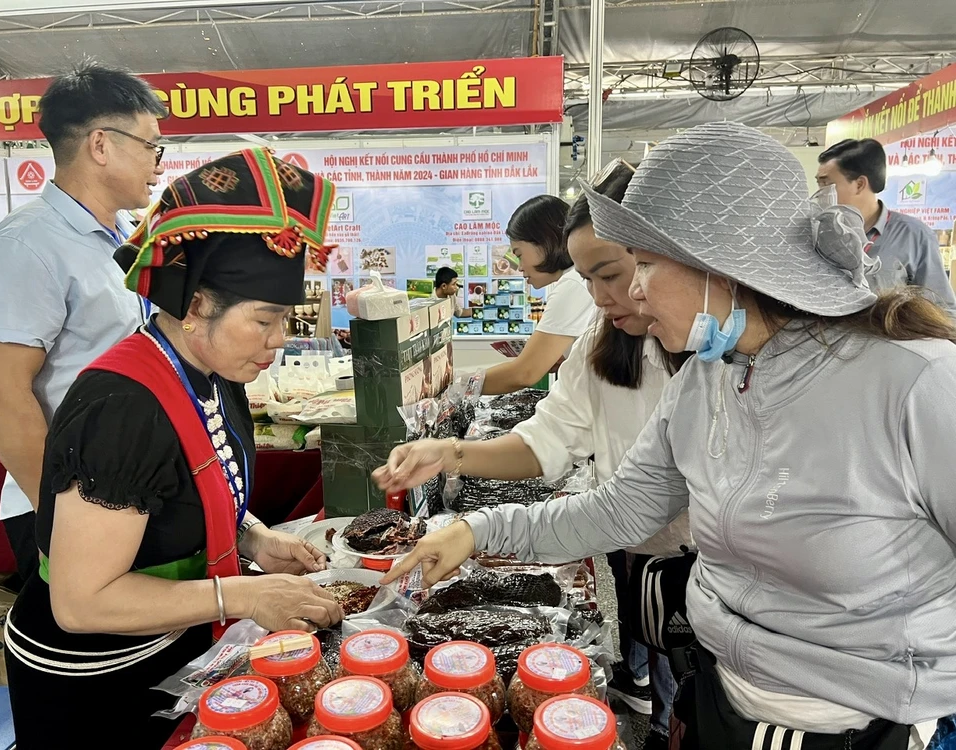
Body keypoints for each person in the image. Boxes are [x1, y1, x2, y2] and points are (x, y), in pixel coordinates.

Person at [380, 122, 956, 750]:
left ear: (724, 266)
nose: (630, 290)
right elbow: (623, 508)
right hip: (722, 698)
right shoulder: (704, 382)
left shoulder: (916, 385)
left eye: (646, 265)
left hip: (864, 729)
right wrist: (477, 531)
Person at [2, 148, 345, 748]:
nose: (277, 341)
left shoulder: (216, 372)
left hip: (175, 645)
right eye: (264, 320)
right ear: (195, 307)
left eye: (285, 320)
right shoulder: (120, 408)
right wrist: (246, 593)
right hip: (95, 678)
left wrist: (255, 538)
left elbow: (189, 489)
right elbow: (82, 602)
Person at [376, 165, 690, 748]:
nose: (603, 297)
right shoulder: (606, 343)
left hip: (735, 608)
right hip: (653, 559)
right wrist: (450, 453)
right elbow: (551, 447)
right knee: (680, 692)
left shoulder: (730, 368)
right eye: (589, 278)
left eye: (614, 274)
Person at [0, 62, 166, 581]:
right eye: (151, 146)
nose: (158, 164)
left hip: (128, 494)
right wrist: (61, 518)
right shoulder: (25, 246)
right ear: (101, 145)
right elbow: (5, 395)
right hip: (71, 507)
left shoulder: (122, 236)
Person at [817, 138, 956, 313]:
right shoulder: (817, 232)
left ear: (859, 184)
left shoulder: (914, 236)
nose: (819, 193)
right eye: (818, 183)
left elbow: (943, 311)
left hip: (883, 338)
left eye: (826, 184)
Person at [482, 195, 596, 395]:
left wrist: (461, 385)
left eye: (519, 254)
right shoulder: (574, 281)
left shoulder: (572, 285)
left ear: (544, 242)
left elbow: (525, 373)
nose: (519, 267)